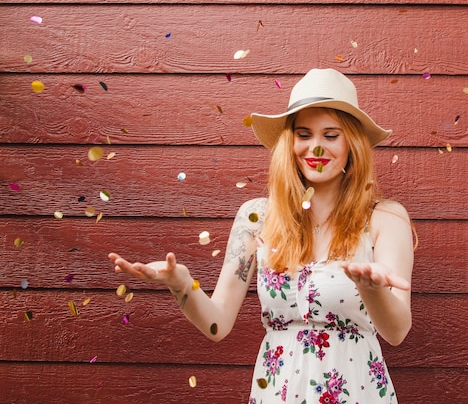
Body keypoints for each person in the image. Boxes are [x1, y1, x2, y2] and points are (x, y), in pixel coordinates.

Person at [109, 68, 415, 404]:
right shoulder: (255, 217)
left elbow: (397, 332)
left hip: (356, 391)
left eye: (331, 135)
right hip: (277, 391)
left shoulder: (384, 218)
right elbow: (218, 324)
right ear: (290, 142)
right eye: (303, 134)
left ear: (351, 144)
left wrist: (372, 291)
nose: (315, 147)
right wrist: (182, 285)